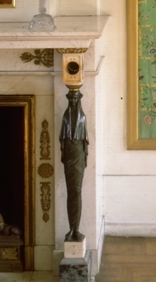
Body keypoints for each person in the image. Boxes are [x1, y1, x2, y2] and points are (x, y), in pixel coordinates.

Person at [60, 88, 89, 242]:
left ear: (78, 100)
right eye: (71, 98)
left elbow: (85, 142)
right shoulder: (66, 117)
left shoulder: (82, 118)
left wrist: (83, 158)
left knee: (77, 191)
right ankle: (71, 229)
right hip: (69, 159)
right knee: (70, 191)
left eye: (75, 98)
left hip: (78, 157)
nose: (72, 101)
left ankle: (76, 229)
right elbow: (62, 140)